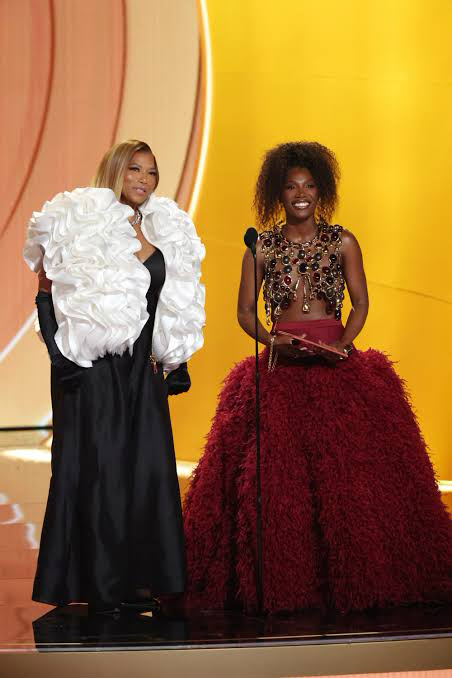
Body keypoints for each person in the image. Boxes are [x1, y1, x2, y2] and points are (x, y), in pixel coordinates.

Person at [183, 141, 452, 614]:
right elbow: (244, 313)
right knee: (278, 484)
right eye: (291, 186)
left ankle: (351, 578)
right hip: (280, 370)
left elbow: (361, 302)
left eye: (309, 185)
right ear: (278, 193)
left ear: (321, 191)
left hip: (336, 369)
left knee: (348, 482)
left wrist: (343, 344)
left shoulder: (343, 241)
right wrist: (272, 341)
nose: (301, 194)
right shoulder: (261, 247)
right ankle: (290, 581)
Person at [23, 139, 205, 615]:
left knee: (145, 473)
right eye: (134, 170)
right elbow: (45, 292)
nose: (144, 179)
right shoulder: (78, 218)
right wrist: (60, 357)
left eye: (151, 171)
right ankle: (101, 585)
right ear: (115, 171)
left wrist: (176, 360)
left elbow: (172, 300)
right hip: (94, 371)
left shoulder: (162, 225)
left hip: (143, 370)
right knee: (101, 475)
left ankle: (137, 581)